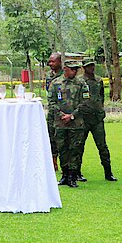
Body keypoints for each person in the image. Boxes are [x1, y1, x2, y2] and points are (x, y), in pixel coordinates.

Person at [48, 60, 86, 188]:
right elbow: (51, 102)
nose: (74, 72)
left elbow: (85, 102)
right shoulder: (56, 83)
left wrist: (72, 115)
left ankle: (72, 176)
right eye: (72, 69)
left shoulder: (81, 83)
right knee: (62, 149)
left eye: (76, 69)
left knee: (74, 150)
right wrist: (61, 115)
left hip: (76, 123)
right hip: (60, 123)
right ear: (65, 69)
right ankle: (64, 175)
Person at [80, 58, 115, 181]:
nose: (91, 68)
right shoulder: (79, 81)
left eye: (92, 66)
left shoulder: (99, 80)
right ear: (84, 68)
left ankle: (108, 172)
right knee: (79, 146)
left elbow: (101, 97)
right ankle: (77, 173)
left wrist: (100, 109)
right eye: (89, 66)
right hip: (83, 118)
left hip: (97, 119)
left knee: (102, 146)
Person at [45, 53, 63, 172]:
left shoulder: (64, 75)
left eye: (53, 61)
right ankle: (53, 162)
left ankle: (66, 164)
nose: (50, 64)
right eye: (50, 61)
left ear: (59, 62)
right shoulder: (49, 75)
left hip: (63, 111)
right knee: (51, 137)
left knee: (62, 139)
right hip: (52, 112)